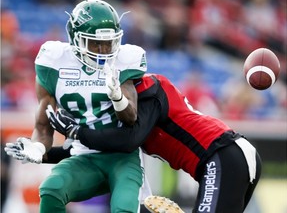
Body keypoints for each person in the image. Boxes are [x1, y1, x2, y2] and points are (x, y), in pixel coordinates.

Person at [6, 73, 262, 213]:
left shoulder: (150, 89)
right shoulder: (119, 117)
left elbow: (130, 139)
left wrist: (76, 130)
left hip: (222, 155)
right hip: (227, 158)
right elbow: (86, 149)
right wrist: (41, 153)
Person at [5, 0, 151, 213]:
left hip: (123, 156)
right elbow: (44, 126)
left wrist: (117, 96)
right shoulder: (54, 62)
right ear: (76, 38)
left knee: (124, 208)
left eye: (108, 43)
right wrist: (37, 147)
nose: (102, 50)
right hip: (83, 155)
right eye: (94, 43)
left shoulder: (125, 59)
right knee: (51, 189)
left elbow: (130, 118)